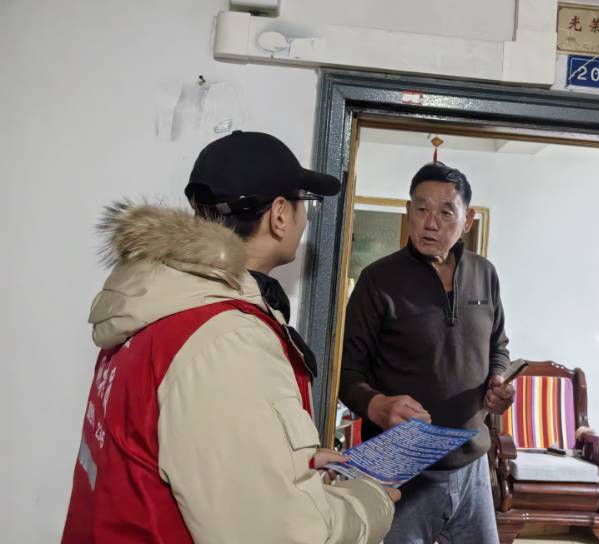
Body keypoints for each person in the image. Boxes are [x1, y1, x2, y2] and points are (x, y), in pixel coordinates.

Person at [62, 131, 397, 543]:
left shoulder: (160, 306)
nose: (305, 219)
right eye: (304, 205)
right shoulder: (225, 339)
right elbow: (282, 535)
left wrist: (290, 463)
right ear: (279, 215)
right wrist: (372, 499)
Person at [340, 162, 516, 544]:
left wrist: (498, 379)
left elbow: (498, 346)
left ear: (467, 220)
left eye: (445, 212)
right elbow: (346, 372)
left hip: (472, 466)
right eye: (421, 209)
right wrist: (377, 406)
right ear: (409, 211)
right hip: (402, 470)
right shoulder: (377, 281)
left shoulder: (485, 274)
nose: (430, 223)